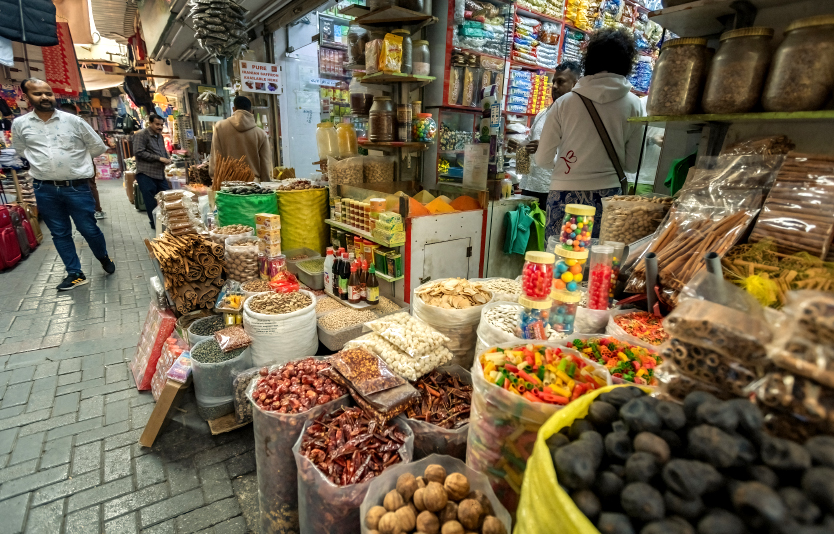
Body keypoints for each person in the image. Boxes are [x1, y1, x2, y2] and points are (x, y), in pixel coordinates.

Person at [534, 28, 643, 241]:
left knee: (562, 265)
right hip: (609, 198)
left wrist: (566, 165)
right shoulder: (634, 104)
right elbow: (632, 165)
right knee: (600, 265)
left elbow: (542, 159)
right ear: (626, 63)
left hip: (565, 194)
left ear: (589, 60)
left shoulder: (564, 104)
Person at [12, 78, 115, 290]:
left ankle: (103, 257)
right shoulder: (20, 125)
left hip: (76, 187)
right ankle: (75, 273)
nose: (45, 97)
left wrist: (76, 163)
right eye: (38, 94)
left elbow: (97, 146)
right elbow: (22, 151)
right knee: (60, 233)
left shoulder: (73, 121)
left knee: (89, 228)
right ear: (27, 97)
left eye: (48, 93)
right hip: (44, 188)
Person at [510, 61, 581, 207]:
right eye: (553, 82)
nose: (554, 86)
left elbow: (575, 160)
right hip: (528, 187)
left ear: (575, 84)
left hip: (552, 191)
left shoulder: (577, 118)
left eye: (560, 82)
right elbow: (530, 144)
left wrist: (543, 149)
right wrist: (520, 147)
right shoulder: (543, 114)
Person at [60, 102, 106, 220]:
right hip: (72, 166)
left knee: (89, 186)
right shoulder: (60, 127)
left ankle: (96, 210)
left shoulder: (80, 125)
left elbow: (98, 146)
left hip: (84, 163)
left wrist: (83, 157)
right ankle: (92, 210)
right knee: (86, 186)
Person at [209, 96, 272, 182]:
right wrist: (265, 184)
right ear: (251, 111)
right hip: (253, 185)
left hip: (227, 184)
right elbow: (265, 163)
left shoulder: (220, 127)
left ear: (234, 109)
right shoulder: (260, 133)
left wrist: (215, 179)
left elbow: (216, 156)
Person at [133, 113, 172, 229]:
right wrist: (159, 158)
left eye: (161, 124)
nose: (160, 127)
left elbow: (162, 150)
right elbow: (139, 152)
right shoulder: (141, 135)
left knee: (167, 196)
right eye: (157, 124)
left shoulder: (159, 136)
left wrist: (167, 157)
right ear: (150, 123)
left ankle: (167, 222)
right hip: (146, 174)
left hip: (159, 174)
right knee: (151, 201)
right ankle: (155, 224)